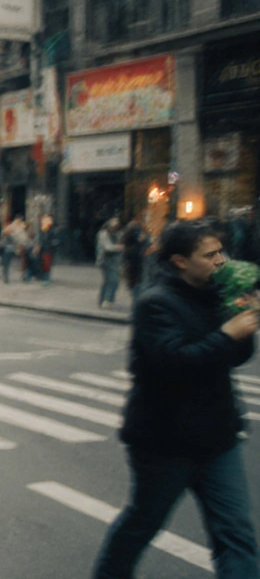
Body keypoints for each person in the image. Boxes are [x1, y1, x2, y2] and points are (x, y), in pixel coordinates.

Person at [93, 221, 260, 579]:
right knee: (142, 524)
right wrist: (228, 334)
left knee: (236, 536)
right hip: (164, 442)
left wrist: (245, 324)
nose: (221, 261)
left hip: (218, 438)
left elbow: (235, 356)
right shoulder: (154, 303)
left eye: (222, 252)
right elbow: (176, 362)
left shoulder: (219, 294)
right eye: (210, 254)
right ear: (181, 261)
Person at [96, 217, 125, 309]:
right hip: (106, 260)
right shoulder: (103, 234)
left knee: (113, 280)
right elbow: (107, 247)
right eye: (113, 224)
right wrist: (118, 247)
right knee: (111, 280)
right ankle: (106, 300)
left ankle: (108, 299)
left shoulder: (118, 234)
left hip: (116, 260)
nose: (115, 226)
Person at [121, 219, 150, 300]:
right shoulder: (137, 244)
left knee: (134, 287)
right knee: (137, 287)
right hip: (137, 268)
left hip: (132, 269)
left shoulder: (128, 245)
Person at [32, 214, 62, 286]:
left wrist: (52, 245)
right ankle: (42, 276)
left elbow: (53, 240)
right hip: (43, 249)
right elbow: (40, 239)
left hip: (48, 250)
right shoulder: (42, 230)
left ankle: (46, 278)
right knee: (42, 264)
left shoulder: (52, 230)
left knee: (47, 264)